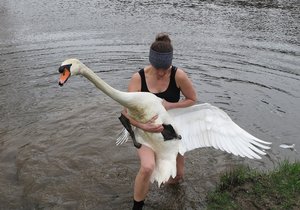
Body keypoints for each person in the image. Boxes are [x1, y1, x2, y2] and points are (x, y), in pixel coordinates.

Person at [123, 33, 197, 210]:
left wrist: (169, 105)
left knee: (178, 176)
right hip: (145, 131)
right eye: (158, 68)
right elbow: (125, 113)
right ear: (151, 62)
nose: (162, 72)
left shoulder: (179, 76)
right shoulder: (138, 79)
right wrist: (143, 125)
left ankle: (165, 195)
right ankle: (137, 206)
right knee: (147, 167)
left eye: (166, 68)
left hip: (170, 131)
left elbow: (192, 99)